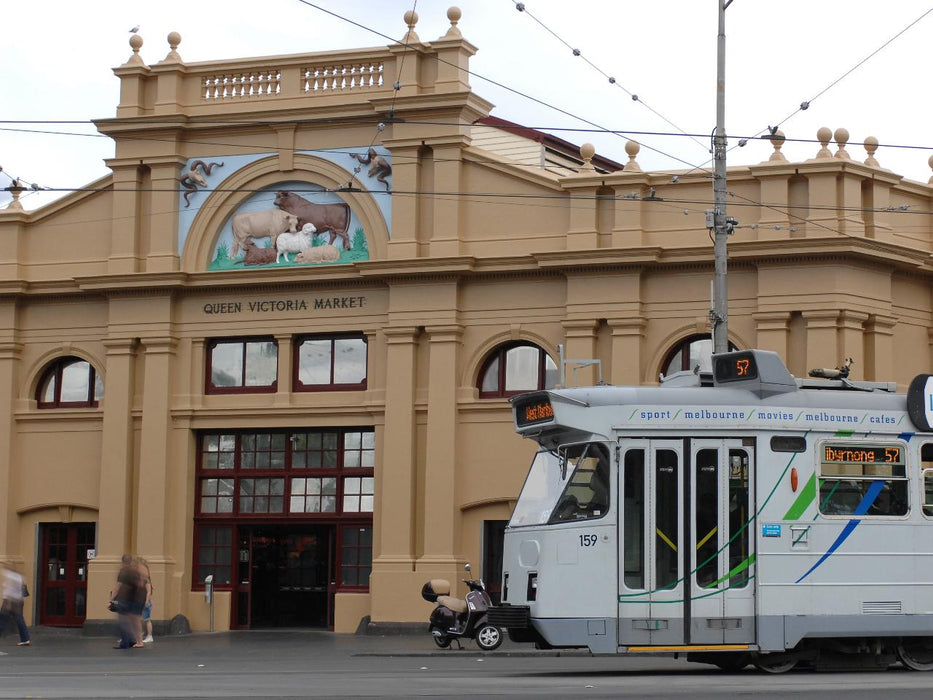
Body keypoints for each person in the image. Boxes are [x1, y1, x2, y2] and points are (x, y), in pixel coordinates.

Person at [110, 554, 144, 649]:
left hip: (124, 599)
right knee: (130, 621)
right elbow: (140, 585)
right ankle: (132, 640)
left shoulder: (123, 572)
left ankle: (125, 643)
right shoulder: (135, 572)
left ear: (123, 562)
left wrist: (111, 600)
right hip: (134, 599)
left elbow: (118, 587)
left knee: (123, 621)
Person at [0, 562, 32, 646]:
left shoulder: (10, 576)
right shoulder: (18, 576)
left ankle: (25, 639)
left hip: (10, 601)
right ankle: (25, 639)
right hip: (18, 601)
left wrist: (8, 603)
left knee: (2, 618)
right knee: (19, 619)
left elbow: (10, 591)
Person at [140, 558, 154, 644]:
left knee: (147, 619)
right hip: (141, 601)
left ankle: (149, 635)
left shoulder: (146, 580)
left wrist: (146, 601)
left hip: (145, 602)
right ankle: (141, 633)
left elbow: (148, 591)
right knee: (141, 619)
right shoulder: (142, 579)